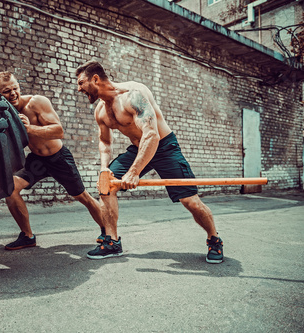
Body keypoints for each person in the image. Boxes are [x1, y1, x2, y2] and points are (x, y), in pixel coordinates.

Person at [75, 60, 223, 263]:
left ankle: (214, 239)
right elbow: (105, 142)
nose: (79, 88)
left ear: (95, 79)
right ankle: (112, 241)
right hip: (137, 148)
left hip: (163, 147)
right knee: (106, 186)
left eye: (81, 83)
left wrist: (135, 171)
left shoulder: (133, 94)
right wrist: (103, 169)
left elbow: (151, 135)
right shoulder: (100, 111)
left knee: (190, 201)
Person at [0, 71, 104, 250]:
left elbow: (58, 131)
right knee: (11, 189)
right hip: (37, 160)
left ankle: (108, 232)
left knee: (82, 197)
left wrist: (29, 129)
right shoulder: (6, 113)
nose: (13, 94)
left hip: (58, 157)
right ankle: (28, 236)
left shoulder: (36, 102)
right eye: (7, 91)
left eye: (15, 88)